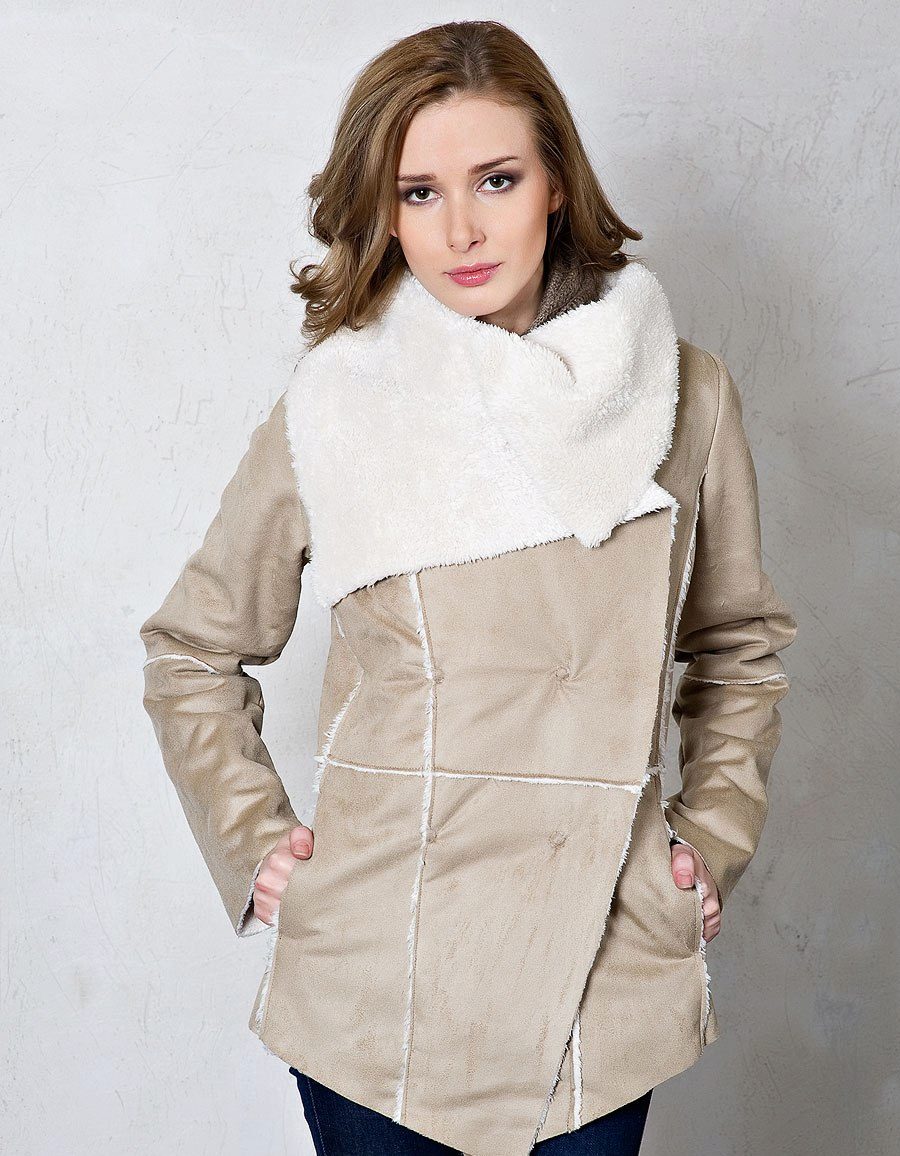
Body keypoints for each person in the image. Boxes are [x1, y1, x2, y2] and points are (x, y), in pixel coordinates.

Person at [139, 19, 798, 1156]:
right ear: (385, 213)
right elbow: (192, 648)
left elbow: (738, 647)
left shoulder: (681, 394)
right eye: (419, 192)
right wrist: (255, 843)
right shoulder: (338, 404)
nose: (462, 231)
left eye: (497, 179)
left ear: (556, 184)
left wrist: (709, 837)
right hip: (378, 975)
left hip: (599, 969)